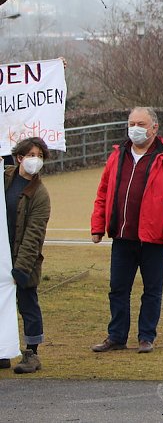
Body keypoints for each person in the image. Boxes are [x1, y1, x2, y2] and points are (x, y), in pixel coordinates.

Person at [90, 107, 163, 354]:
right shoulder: (117, 156)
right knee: (118, 289)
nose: (135, 128)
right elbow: (103, 192)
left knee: (152, 290)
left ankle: (146, 336)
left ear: (154, 128)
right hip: (122, 236)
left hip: (153, 238)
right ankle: (116, 336)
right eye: (132, 123)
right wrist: (97, 225)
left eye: (141, 124)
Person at [2, 138, 51, 373]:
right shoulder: (6, 178)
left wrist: (21, 268)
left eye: (40, 155)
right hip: (2, 255)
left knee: (28, 304)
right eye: (31, 154)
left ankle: (32, 353)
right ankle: (4, 349)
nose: (36, 160)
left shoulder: (40, 194)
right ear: (19, 157)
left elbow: (34, 234)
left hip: (24, 258)